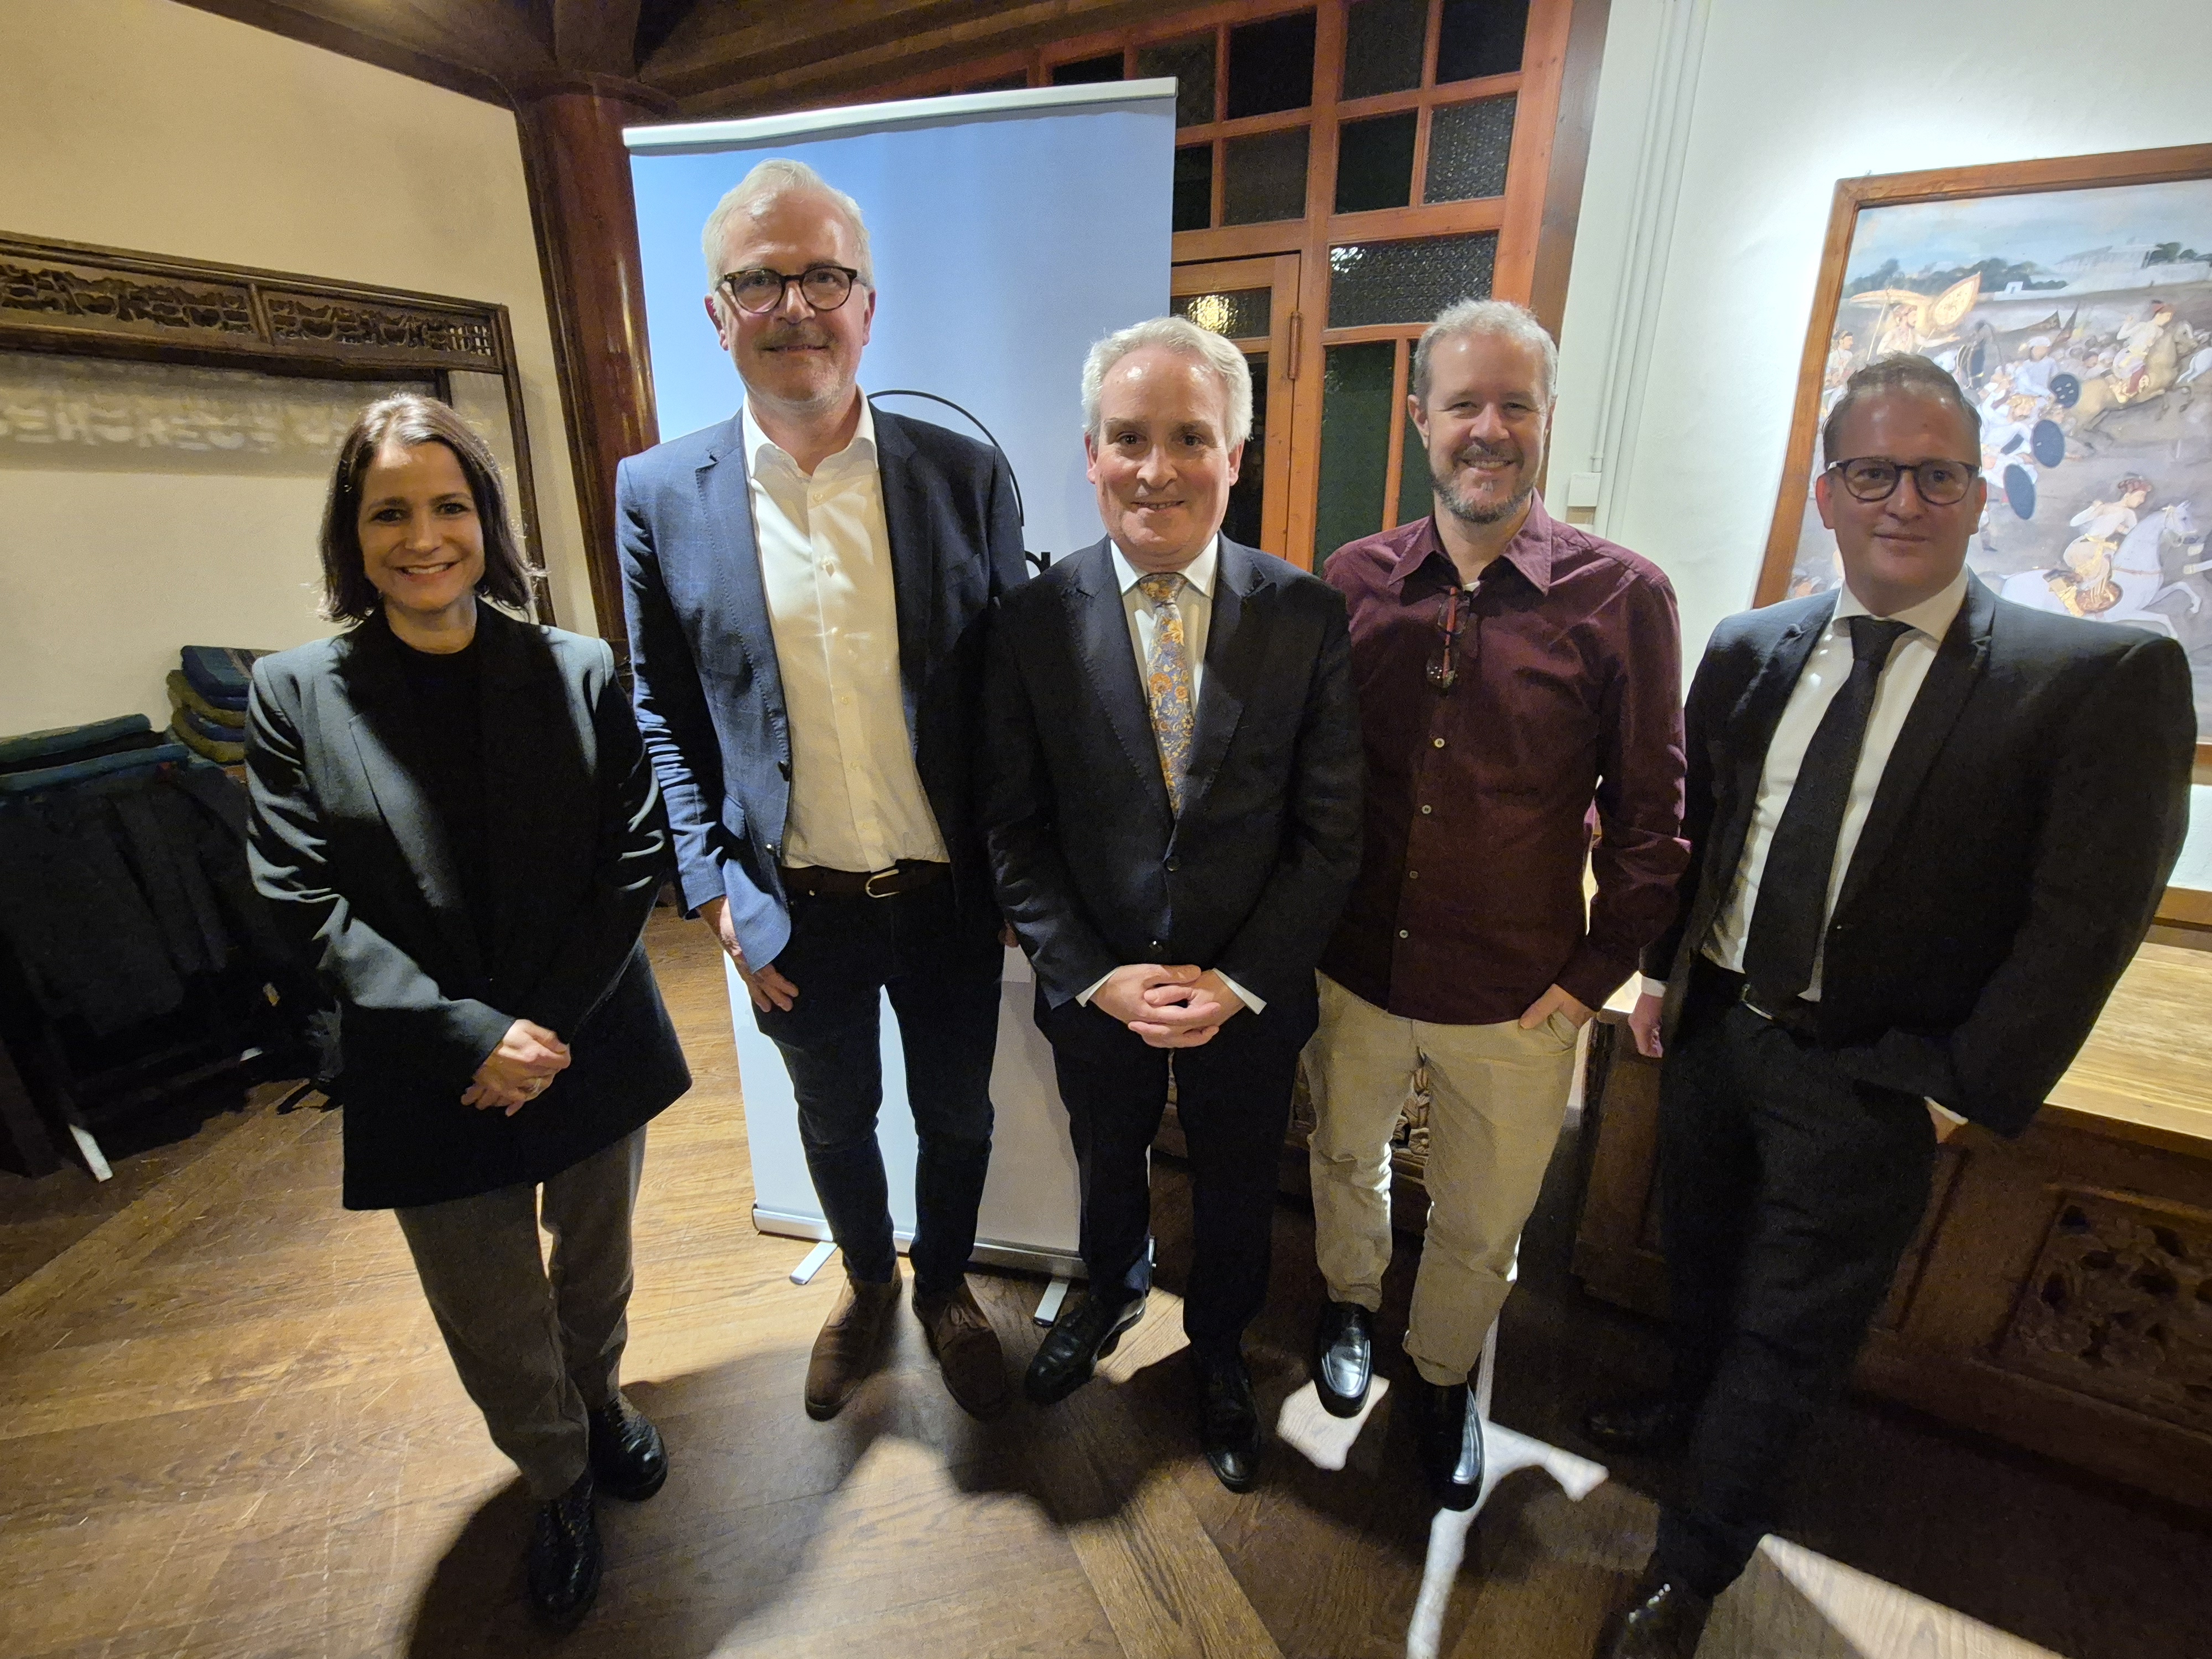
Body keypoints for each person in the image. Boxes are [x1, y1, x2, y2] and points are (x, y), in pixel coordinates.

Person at [1585, 354, 2194, 1659]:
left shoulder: (2090, 677)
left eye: (1935, 475)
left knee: (1788, 1333)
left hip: (1872, 1073)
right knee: (1699, 1258)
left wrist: (1950, 1090)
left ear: (1977, 494)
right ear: (1826, 494)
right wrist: (1661, 973)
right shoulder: (1750, 647)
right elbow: (1704, 832)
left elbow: (2083, 925)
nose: (1902, 502)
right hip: (1715, 1030)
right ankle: (1685, 1409)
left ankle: (1689, 1570)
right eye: (1871, 474)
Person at [245, 395, 690, 1626]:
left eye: (449, 506)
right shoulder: (294, 692)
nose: (423, 537)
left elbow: (629, 859)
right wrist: (471, 1037)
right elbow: (297, 897)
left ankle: (598, 1403)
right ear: (353, 534)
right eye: (390, 513)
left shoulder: (577, 668)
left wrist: (537, 1032)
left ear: (488, 522)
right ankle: (554, 1476)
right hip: (420, 1057)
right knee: (488, 1306)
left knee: (595, 1265)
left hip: (584, 1032)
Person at [617, 159, 1028, 1422]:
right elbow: (661, 708)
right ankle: (864, 1285)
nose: (794, 306)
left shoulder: (964, 475)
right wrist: (712, 891)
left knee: (958, 1118)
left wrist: (1025, 878)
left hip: (949, 897)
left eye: (824, 277)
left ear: (867, 304)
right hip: (790, 908)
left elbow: (1014, 699)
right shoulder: (656, 494)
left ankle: (944, 1286)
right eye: (759, 281)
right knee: (835, 1122)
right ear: (716, 313)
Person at [1303, 300, 1687, 1508]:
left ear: (1546, 421)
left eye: (1513, 405)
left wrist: (1590, 982)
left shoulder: (1622, 597)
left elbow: (1652, 819)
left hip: (1520, 992)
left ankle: (1440, 1372)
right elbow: (1309, 778)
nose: (1488, 429)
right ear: (1420, 419)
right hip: (1355, 966)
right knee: (1343, 1158)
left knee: (1482, 1218)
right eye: (1463, 404)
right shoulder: (1352, 580)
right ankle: (1349, 1304)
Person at [983, 316, 1362, 1491]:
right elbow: (1014, 829)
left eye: (1190, 438)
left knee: (1240, 1189)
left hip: (1246, 994)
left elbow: (1330, 831)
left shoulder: (1305, 616)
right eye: (1129, 438)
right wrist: (1095, 976)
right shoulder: (1028, 623)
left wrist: (1239, 980)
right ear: (1090, 453)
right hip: (1099, 988)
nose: (1157, 469)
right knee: (1108, 1161)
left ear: (1234, 457)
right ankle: (1109, 1293)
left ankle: (1219, 1351)